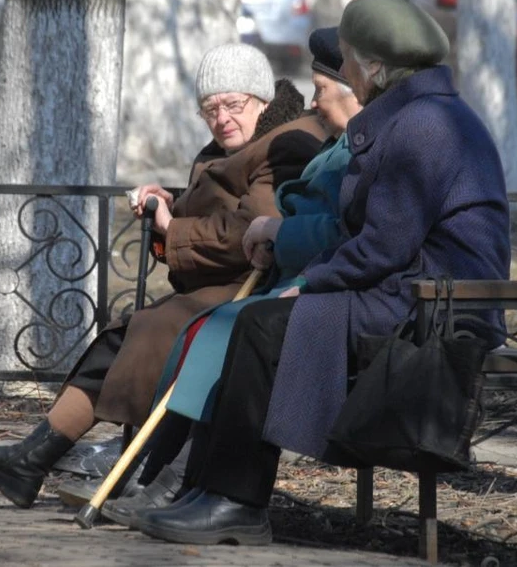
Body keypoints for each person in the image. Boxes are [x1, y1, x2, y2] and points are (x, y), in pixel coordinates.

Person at [134, 0, 512, 546]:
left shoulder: (425, 127)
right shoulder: (417, 114)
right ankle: (206, 490)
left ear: (376, 68)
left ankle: (236, 501)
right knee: (255, 321)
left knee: (262, 327)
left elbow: (383, 246)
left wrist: (310, 283)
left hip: (434, 309)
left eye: (350, 58)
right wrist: (308, 283)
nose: (345, 70)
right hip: (407, 293)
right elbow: (376, 242)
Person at [0, 43, 328, 509]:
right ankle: (31, 460)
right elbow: (221, 206)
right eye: (209, 109)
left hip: (249, 294)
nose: (222, 117)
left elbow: (248, 233)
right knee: (119, 339)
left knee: (144, 333)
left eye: (234, 104)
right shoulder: (233, 146)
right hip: (216, 289)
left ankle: (55, 464)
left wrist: (175, 227)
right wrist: (167, 203)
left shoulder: (280, 146)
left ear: (263, 101)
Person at [72, 28, 364, 525]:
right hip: (291, 278)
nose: (314, 100)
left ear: (353, 89)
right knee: (205, 334)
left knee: (226, 331)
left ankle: (203, 490)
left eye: (320, 89)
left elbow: (348, 232)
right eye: (210, 109)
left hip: (322, 288)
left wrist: (282, 245)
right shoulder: (338, 145)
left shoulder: (323, 145)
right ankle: (167, 481)